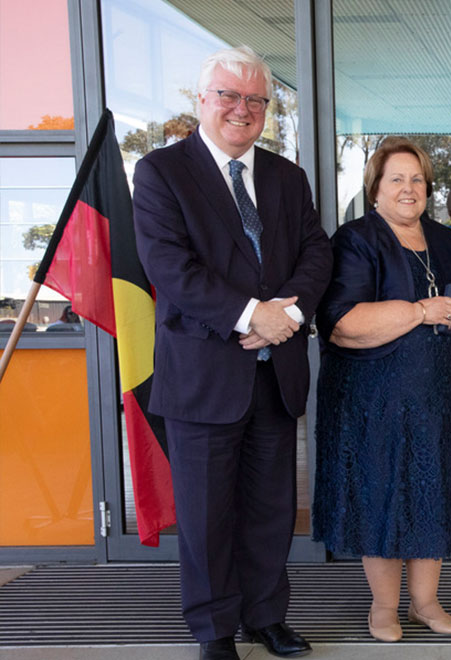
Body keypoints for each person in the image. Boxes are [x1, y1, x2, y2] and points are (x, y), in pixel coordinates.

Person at [132, 46, 332, 660]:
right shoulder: (162, 172)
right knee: (207, 516)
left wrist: (289, 317)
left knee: (271, 508)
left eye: (254, 100)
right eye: (228, 96)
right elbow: (172, 267)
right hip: (203, 377)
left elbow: (316, 254)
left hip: (275, 378)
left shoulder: (285, 177)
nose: (241, 110)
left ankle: (266, 616)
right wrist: (253, 316)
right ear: (202, 101)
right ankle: (215, 631)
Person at [313, 137, 451, 642]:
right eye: (396, 180)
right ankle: (383, 608)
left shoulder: (444, 240)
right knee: (380, 491)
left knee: (432, 491)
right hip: (372, 397)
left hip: (434, 395)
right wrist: (418, 312)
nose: (409, 189)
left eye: (417, 180)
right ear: (376, 189)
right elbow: (341, 322)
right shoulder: (354, 240)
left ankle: (426, 601)